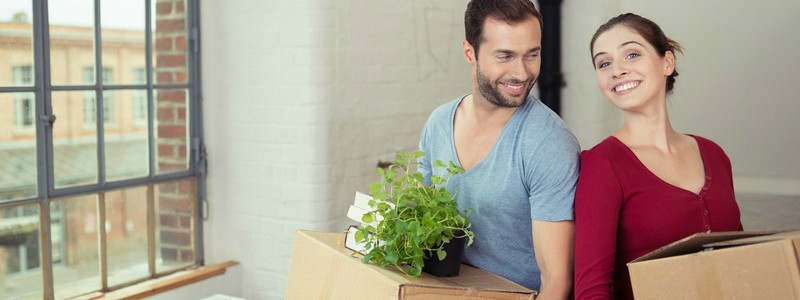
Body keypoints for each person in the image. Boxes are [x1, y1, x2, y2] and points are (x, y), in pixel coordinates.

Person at [574, 13, 743, 300]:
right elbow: (591, 291)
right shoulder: (602, 165)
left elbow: (742, 262)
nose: (617, 70)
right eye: (604, 63)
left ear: (667, 62)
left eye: (631, 54)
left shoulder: (714, 154)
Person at [417, 0, 580, 298]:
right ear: (470, 53)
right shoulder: (439, 123)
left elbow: (557, 282)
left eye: (532, 54)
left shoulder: (549, 143)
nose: (521, 73)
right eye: (505, 56)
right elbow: (421, 228)